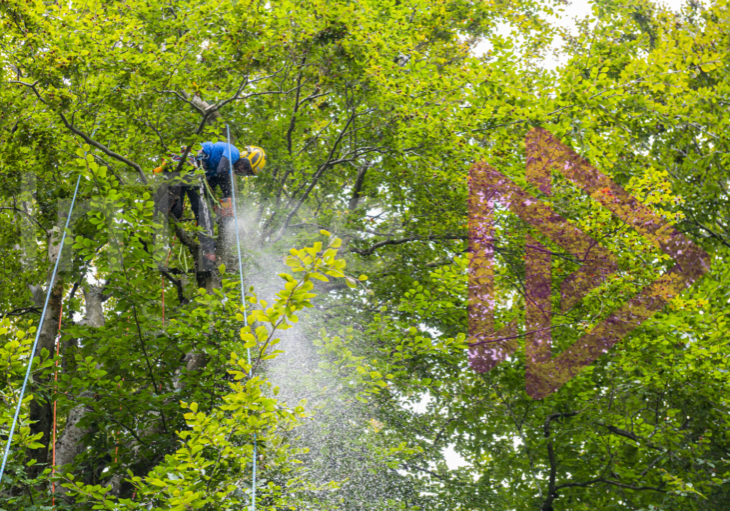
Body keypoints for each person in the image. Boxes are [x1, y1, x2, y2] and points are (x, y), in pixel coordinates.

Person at [154, 142, 266, 271]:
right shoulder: (233, 152)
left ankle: (172, 196)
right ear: (245, 157)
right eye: (244, 166)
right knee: (203, 213)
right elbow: (222, 172)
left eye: (246, 172)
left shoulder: (217, 170)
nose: (242, 170)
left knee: (178, 213)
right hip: (189, 162)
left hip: (185, 170)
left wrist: (216, 206)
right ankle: (209, 253)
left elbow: (207, 190)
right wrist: (228, 198)